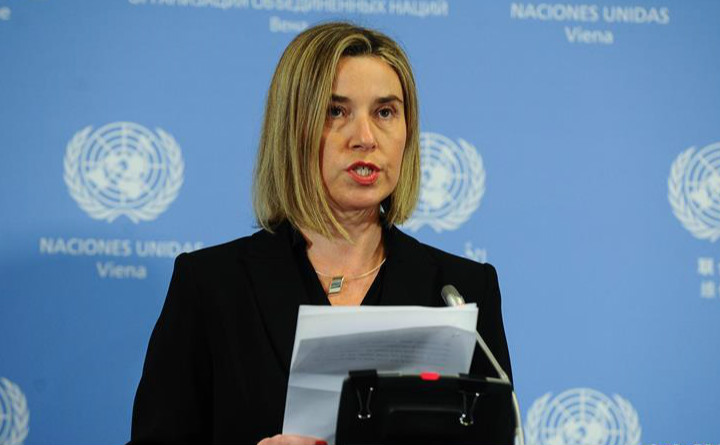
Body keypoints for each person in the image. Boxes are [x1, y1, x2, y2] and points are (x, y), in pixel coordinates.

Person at [129, 22, 512, 445]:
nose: (365, 138)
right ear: (292, 129)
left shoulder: (460, 291)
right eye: (336, 112)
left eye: (385, 112)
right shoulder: (212, 285)